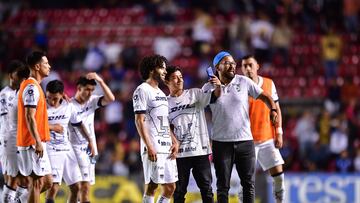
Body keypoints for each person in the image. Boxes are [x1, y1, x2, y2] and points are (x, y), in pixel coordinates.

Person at [202, 51, 279, 203]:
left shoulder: (244, 82)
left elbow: (266, 96)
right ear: (217, 67)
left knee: (248, 185)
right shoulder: (207, 87)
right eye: (226, 63)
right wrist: (216, 87)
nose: (231, 66)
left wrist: (273, 109)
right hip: (221, 143)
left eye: (232, 63)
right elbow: (202, 105)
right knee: (223, 186)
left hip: (245, 142)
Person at [165, 65, 220, 203]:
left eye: (181, 77)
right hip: (179, 154)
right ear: (166, 82)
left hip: (200, 151)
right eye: (174, 78)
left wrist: (216, 85)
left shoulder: (194, 94)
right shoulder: (164, 104)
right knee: (179, 193)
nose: (179, 80)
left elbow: (211, 94)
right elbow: (163, 127)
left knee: (207, 190)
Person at [133, 55, 179, 203]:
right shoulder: (142, 90)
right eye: (162, 68)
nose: (165, 71)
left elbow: (164, 122)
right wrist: (149, 146)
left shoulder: (161, 93)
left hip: (166, 146)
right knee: (153, 185)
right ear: (152, 70)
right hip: (153, 145)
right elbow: (139, 120)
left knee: (170, 187)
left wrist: (174, 141)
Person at [240, 55, 285, 203]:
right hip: (247, 140)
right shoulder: (238, 86)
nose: (247, 68)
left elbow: (276, 107)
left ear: (257, 66)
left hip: (267, 138)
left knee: (279, 176)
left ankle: (279, 201)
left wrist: (279, 131)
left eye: (250, 65)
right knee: (246, 181)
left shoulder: (269, 83)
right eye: (244, 66)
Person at [44, 80, 95, 203]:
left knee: (76, 187)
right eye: (49, 98)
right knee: (53, 187)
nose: (51, 102)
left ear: (62, 94)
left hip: (67, 149)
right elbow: (33, 124)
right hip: (51, 149)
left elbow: (79, 124)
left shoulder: (68, 106)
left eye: (55, 98)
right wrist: (52, 127)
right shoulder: (42, 106)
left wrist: (90, 141)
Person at [68, 72, 115, 203]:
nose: (90, 93)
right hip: (75, 149)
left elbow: (111, 98)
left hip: (90, 150)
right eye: (87, 89)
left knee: (84, 188)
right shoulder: (69, 105)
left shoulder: (92, 101)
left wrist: (100, 80)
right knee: (80, 187)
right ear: (78, 88)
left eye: (92, 90)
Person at [17, 51, 53, 203]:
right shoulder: (31, 87)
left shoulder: (36, 87)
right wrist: (38, 141)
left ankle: (19, 200)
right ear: (37, 66)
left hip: (36, 141)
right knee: (37, 183)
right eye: (46, 63)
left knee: (48, 181)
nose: (49, 66)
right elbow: (29, 116)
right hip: (32, 142)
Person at [0, 60, 30, 203]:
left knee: (24, 180)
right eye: (19, 74)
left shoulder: (22, 93)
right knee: (12, 179)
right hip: (9, 140)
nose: (22, 78)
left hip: (20, 140)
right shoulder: (4, 95)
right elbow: (6, 121)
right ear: (11, 75)